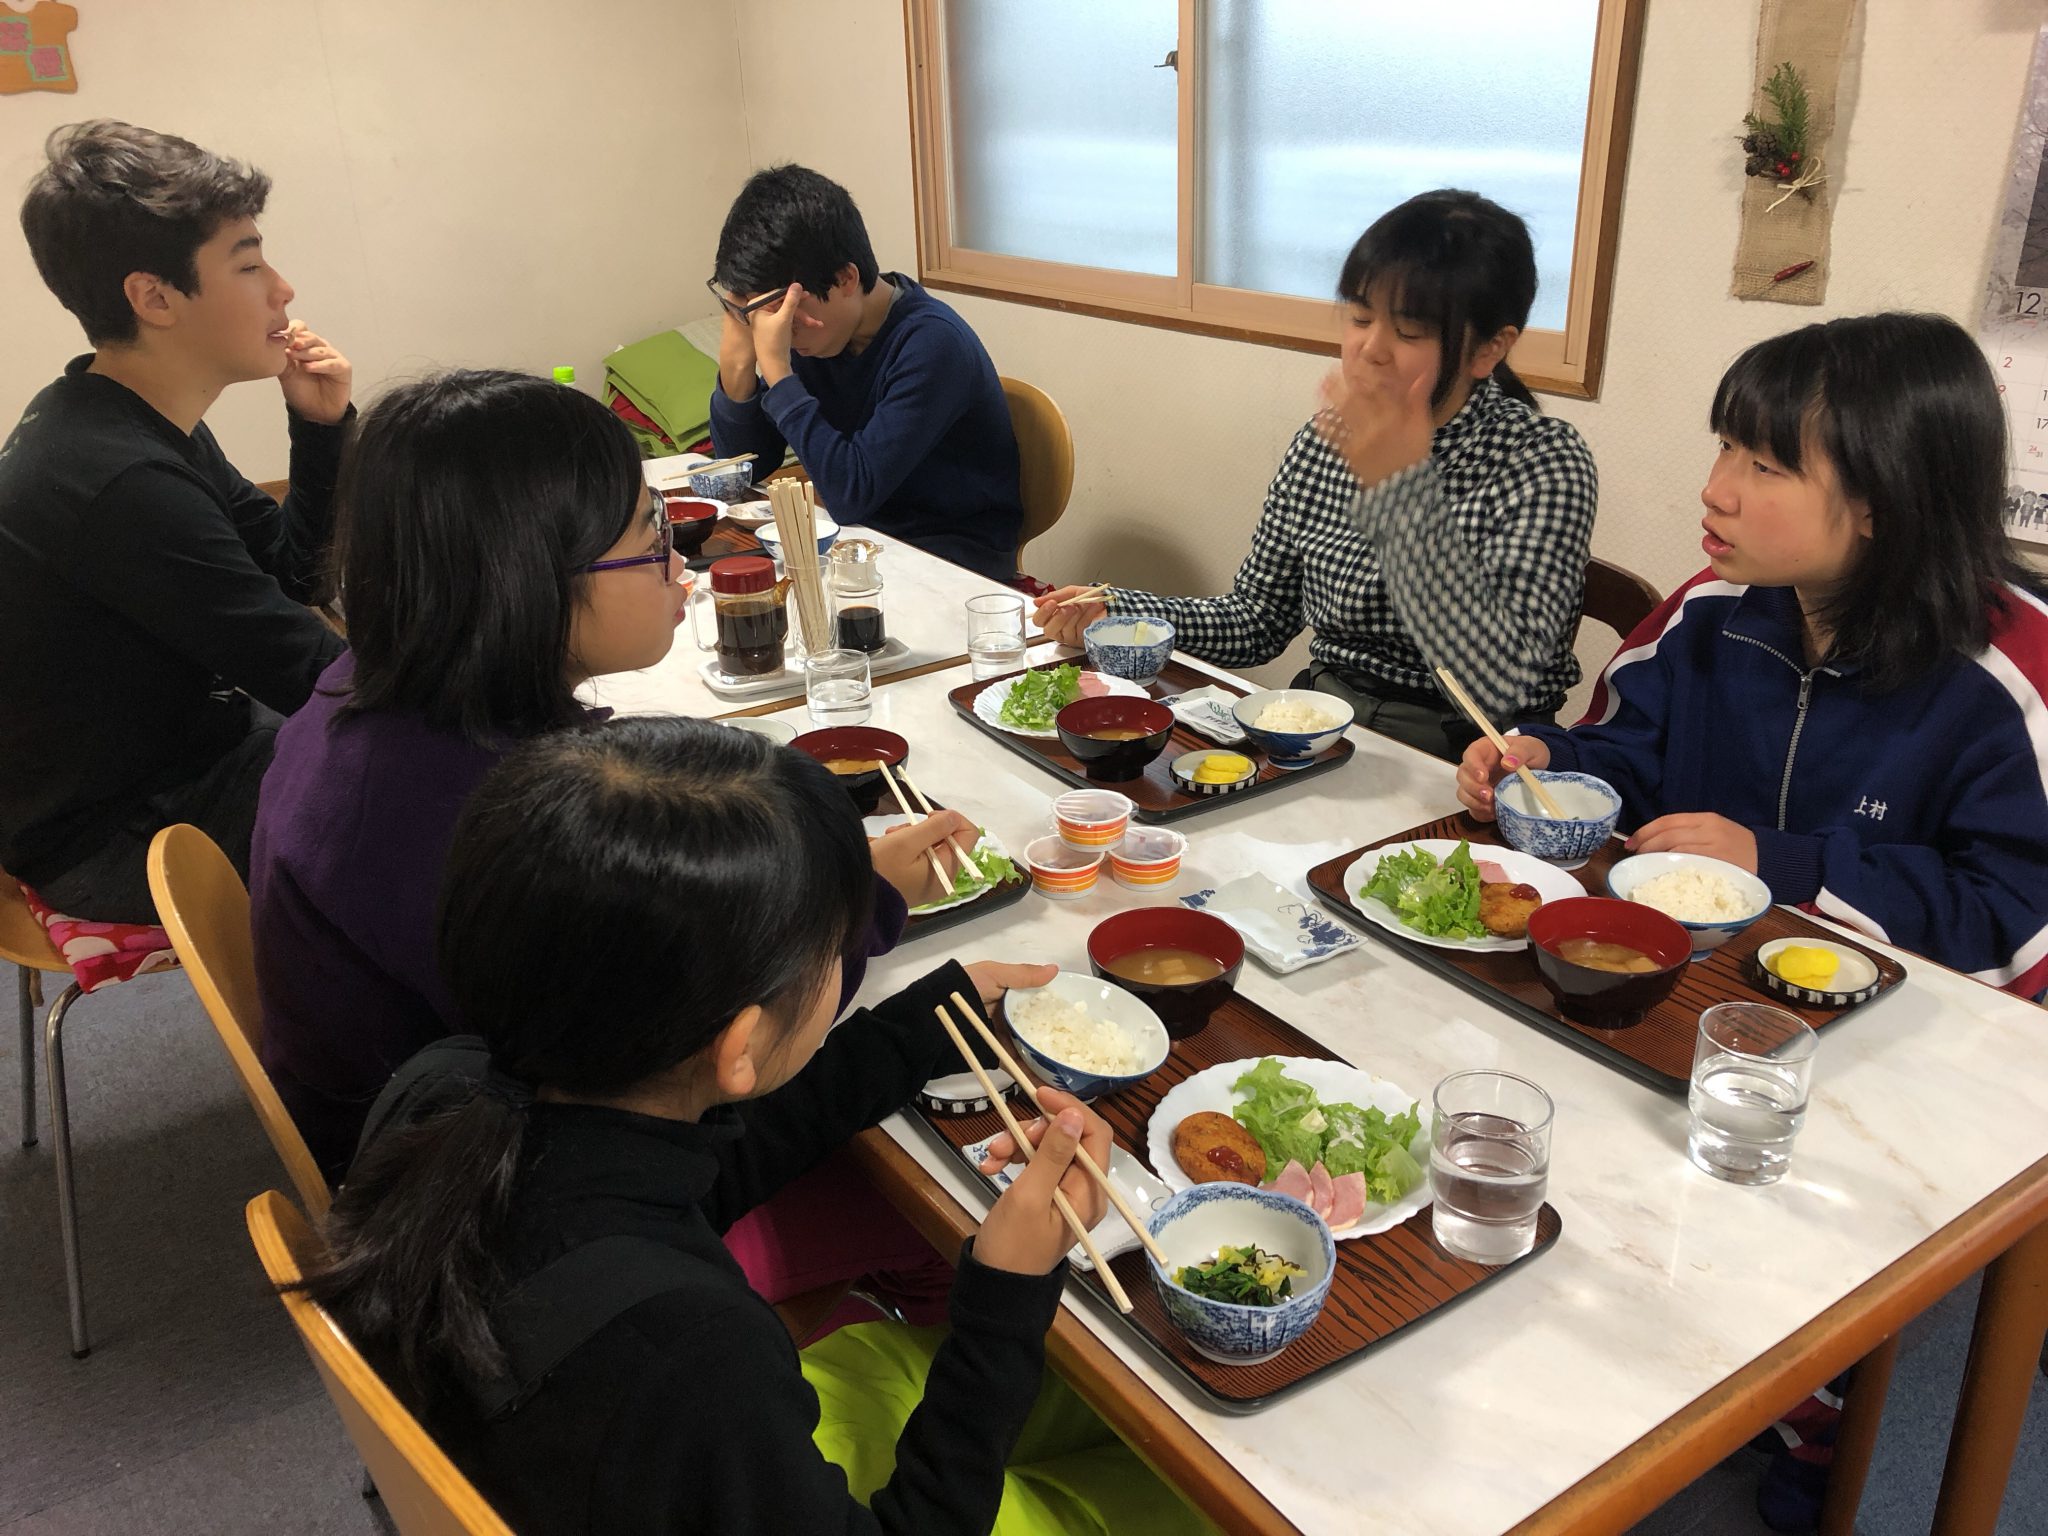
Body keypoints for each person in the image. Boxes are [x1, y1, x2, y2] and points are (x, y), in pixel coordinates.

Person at [294, 718, 1209, 1535]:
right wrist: (1007, 1294)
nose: (846, 961)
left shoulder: (449, 1086)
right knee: (1195, 1492)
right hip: (695, 1457)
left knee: (1100, 1408)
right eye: (836, 950)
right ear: (739, 1044)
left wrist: (922, 1022)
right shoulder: (689, 1352)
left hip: (590, 1465)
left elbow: (707, 1172)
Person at [250, 369, 995, 1329]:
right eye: (653, 540)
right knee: (953, 1213)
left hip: (444, 1157)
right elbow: (709, 1052)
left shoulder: (377, 700)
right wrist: (860, 907)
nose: (681, 566)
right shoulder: (478, 818)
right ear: (529, 577)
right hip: (514, 1235)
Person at [1458, 313, 2048, 1001]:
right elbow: (1629, 754)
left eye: (1765, 466)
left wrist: (1790, 866)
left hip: (1903, 1019)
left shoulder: (2012, 672)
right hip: (1697, 984)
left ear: (1883, 501)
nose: (1716, 489)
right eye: (1727, 446)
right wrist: (1552, 764)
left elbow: (2016, 928)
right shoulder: (1710, 609)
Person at [1035, 189, 1597, 762]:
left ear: (1489, 349)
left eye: (1409, 332)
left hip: (1471, 755)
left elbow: (1499, 687)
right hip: (1324, 723)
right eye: (1360, 317)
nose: (1370, 349)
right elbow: (1257, 620)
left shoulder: (1542, 460)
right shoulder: (1326, 440)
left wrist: (1400, 494)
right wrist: (1122, 611)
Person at [0, 120, 352, 921]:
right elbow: (308, 671)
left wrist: (320, 427)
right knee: (449, 793)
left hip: (187, 748)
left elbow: (294, 573)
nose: (283, 289)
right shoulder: (117, 478)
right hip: (114, 834)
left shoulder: (124, 414)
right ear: (154, 297)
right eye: (249, 264)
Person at [706, 164, 1025, 582]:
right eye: (754, 309)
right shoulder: (819, 333)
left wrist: (779, 373)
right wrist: (737, 365)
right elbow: (744, 470)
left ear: (845, 278)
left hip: (950, 564)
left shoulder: (932, 344)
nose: (778, 326)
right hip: (860, 545)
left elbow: (851, 493)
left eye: (784, 306)